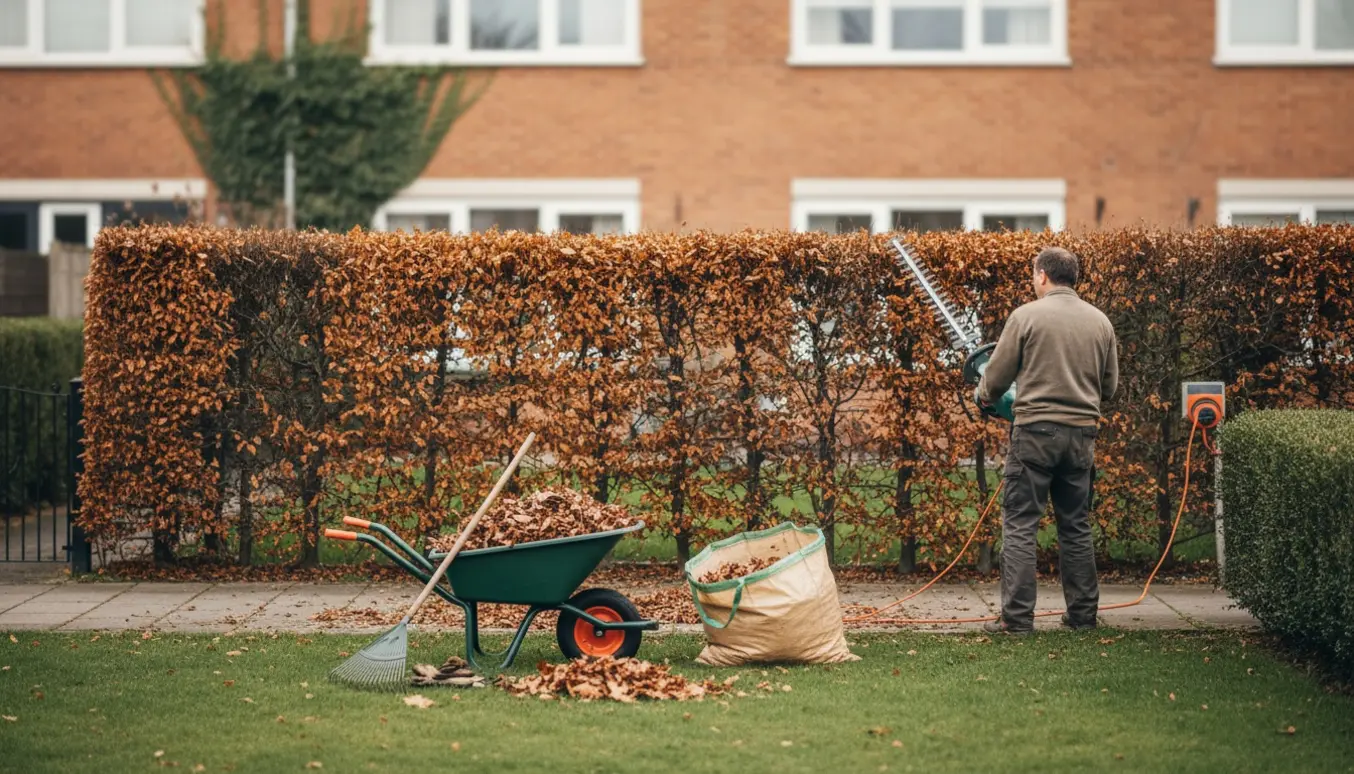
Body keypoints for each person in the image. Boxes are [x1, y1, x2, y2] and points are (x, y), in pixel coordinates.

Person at [975, 246, 1119, 635]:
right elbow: (1110, 386)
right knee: (1076, 525)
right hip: (1081, 436)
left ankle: (1017, 620)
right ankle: (1083, 617)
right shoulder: (1100, 322)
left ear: (1042, 275)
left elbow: (997, 378)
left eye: (1032, 274)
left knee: (1021, 524)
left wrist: (984, 394)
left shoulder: (1025, 317)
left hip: (1035, 433)